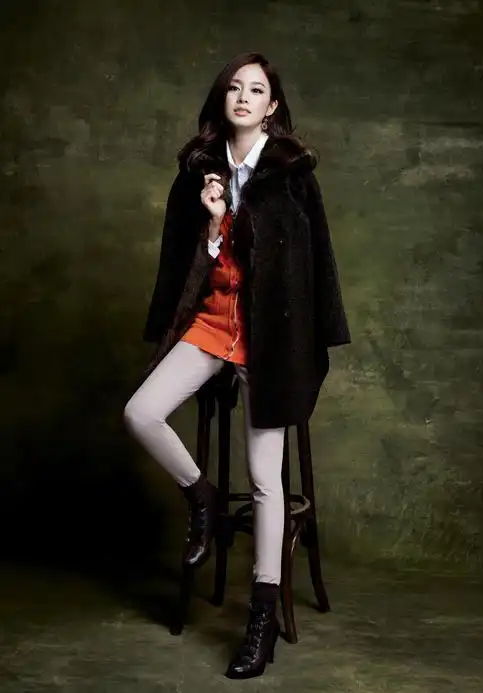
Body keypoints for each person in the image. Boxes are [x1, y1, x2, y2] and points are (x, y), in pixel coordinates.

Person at [124, 51, 350, 679]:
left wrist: (312, 343)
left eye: (256, 90)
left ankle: (261, 618)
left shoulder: (291, 173)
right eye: (234, 88)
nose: (243, 97)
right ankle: (201, 497)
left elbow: (314, 259)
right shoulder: (199, 169)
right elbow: (185, 263)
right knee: (140, 413)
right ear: (222, 100)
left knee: (264, 478)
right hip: (213, 322)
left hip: (270, 337)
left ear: (272, 106)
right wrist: (214, 221)